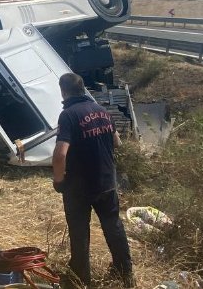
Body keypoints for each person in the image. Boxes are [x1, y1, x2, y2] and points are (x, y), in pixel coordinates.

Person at [52, 72, 133, 288]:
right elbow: (118, 142)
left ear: (64, 91)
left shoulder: (68, 115)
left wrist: (58, 181)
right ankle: (124, 271)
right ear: (83, 89)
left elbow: (60, 154)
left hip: (79, 187)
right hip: (107, 182)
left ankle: (80, 277)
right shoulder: (103, 111)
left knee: (79, 231)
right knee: (113, 226)